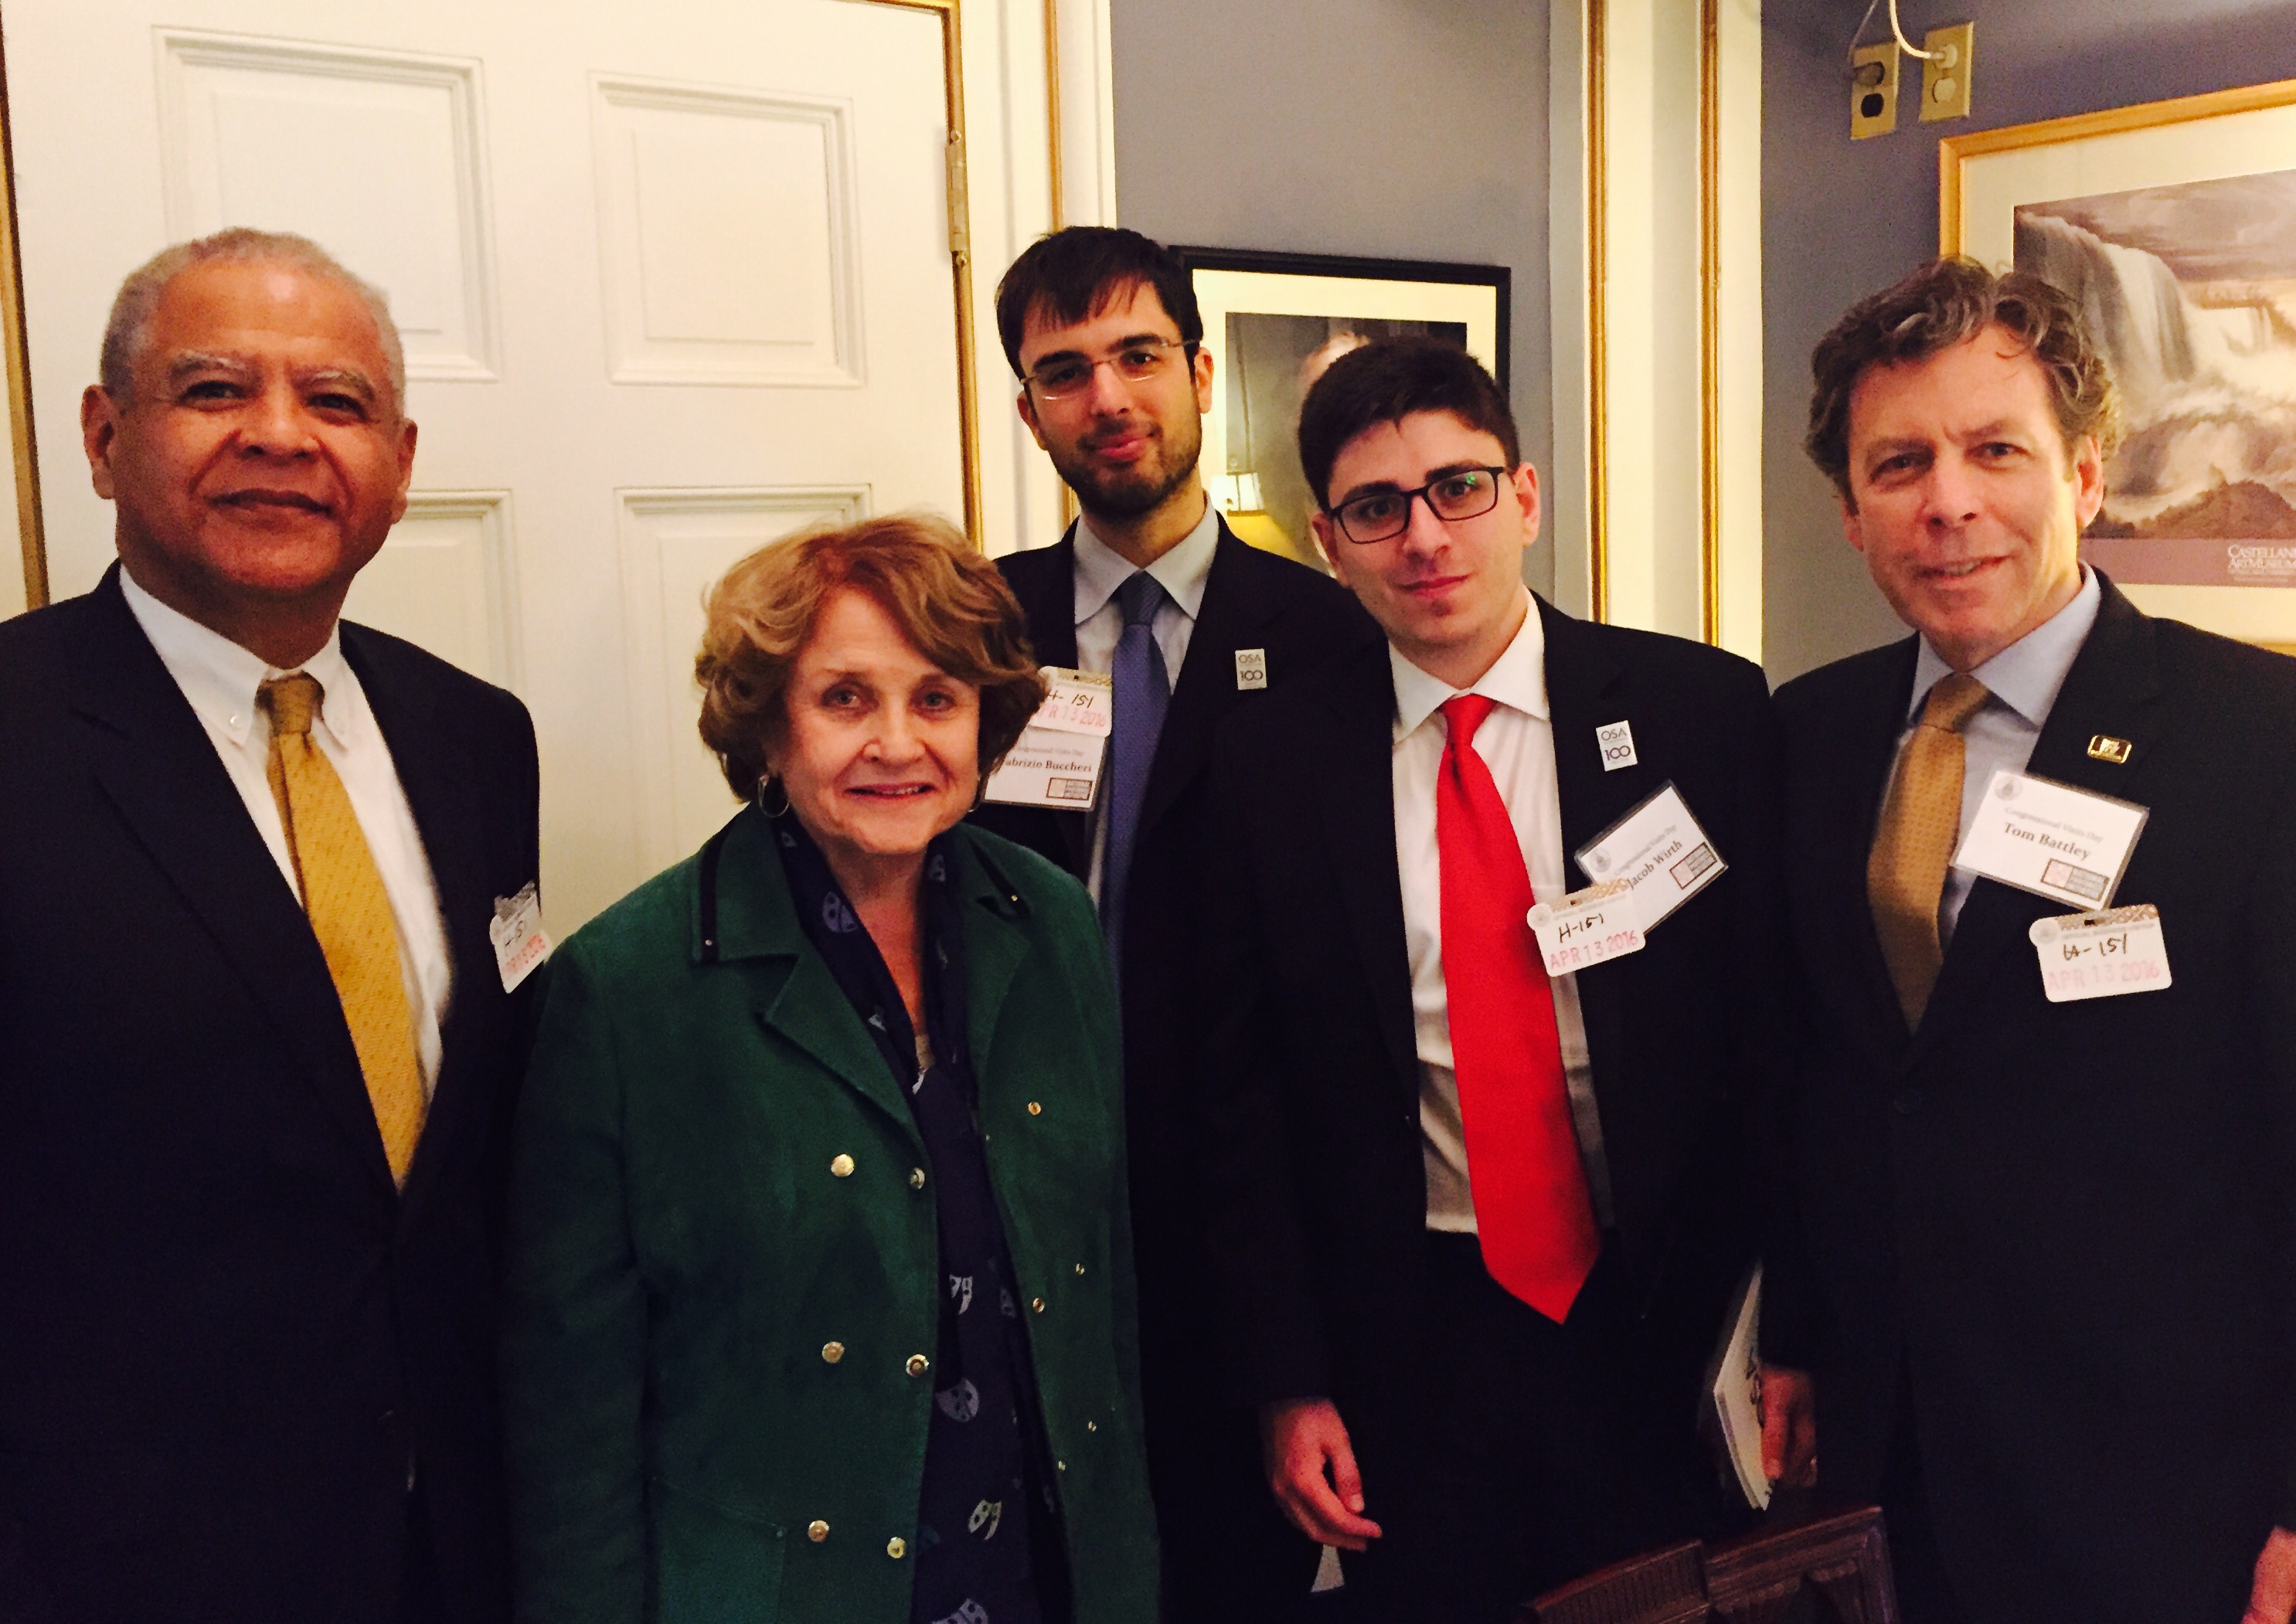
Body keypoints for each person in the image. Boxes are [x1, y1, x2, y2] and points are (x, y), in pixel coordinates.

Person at [1196, 337, 1787, 1624]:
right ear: (1327, 539)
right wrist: (1287, 1381)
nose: (1425, 536)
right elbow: (1241, 1108)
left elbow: (1776, 1042)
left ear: (1525, 497)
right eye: (1376, 508)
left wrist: (1794, 1319)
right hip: (1412, 1325)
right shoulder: (1270, 766)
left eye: (1458, 488)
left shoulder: (1704, 712)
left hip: (1666, 1309)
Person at [0, 229, 539, 1622]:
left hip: (466, 1539)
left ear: (400, 463)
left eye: (337, 402)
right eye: (216, 390)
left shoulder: (476, 736)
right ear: (104, 437)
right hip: (123, 1558)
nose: (282, 438)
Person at [1761, 257, 2296, 1624]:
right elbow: (1841, 1079)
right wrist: (1805, 1340)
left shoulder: (2259, 739)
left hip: (2168, 1495)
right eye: (1899, 465)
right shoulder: (1809, 738)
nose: (1949, 503)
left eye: (1996, 449)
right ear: (1849, 511)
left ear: (2088, 476)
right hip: (1896, 1473)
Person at [501, 515, 1157, 1624]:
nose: (898, 743)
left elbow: (1103, 1288)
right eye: (845, 697)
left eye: (937, 697)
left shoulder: (1047, 920)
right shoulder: (628, 987)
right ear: (767, 729)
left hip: (1045, 1572)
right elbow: (572, 1411)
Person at [974, 226, 1378, 1620]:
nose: (1110, 398)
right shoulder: (972, 630)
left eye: (1141, 355)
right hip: (1020, 1189)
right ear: (1029, 411)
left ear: (1201, 372)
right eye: (1065, 371)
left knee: (1226, 1571)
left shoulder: (1331, 636)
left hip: (1243, 1203)